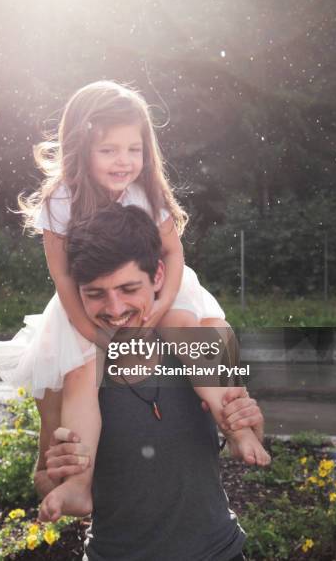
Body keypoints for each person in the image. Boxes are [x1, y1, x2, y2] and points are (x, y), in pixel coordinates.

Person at [0, 80, 269, 523]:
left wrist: (160, 306)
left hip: (168, 287)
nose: (124, 162)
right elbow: (64, 277)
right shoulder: (63, 198)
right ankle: (80, 484)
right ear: (81, 148)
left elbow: (174, 254)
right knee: (80, 370)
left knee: (201, 335)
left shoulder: (146, 189)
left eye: (133, 150)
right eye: (108, 151)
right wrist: (96, 335)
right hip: (79, 306)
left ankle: (237, 429)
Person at [35, 204, 264, 560]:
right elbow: (43, 478)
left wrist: (246, 425)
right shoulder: (68, 372)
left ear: (158, 276)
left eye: (128, 288)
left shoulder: (199, 338)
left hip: (218, 552)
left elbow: (249, 433)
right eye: (95, 293)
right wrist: (59, 476)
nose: (114, 308)